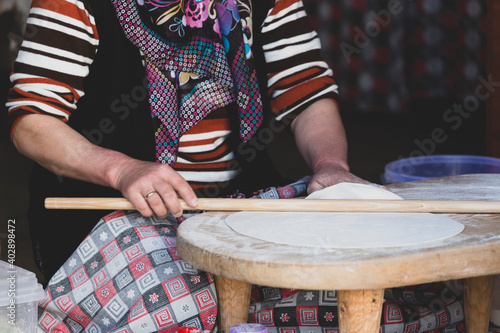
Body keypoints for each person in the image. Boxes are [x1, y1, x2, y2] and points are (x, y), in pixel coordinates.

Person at [6, 0, 465, 332]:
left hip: (235, 207)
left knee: (378, 288)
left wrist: (331, 166)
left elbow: (306, 94)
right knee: (180, 307)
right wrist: (122, 169)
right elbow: (31, 121)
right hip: (112, 215)